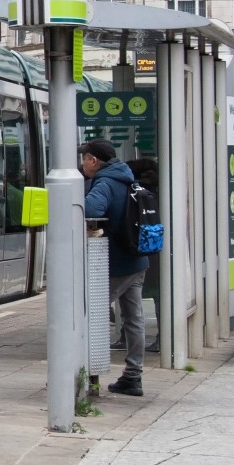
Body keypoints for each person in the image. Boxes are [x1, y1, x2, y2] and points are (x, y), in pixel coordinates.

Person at [80, 139, 146, 397]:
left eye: (84, 158)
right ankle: (133, 376)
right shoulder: (128, 177)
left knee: (90, 316)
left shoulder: (105, 182)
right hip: (138, 260)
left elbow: (91, 208)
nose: (82, 164)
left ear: (93, 160)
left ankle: (86, 377)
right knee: (134, 319)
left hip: (116, 264)